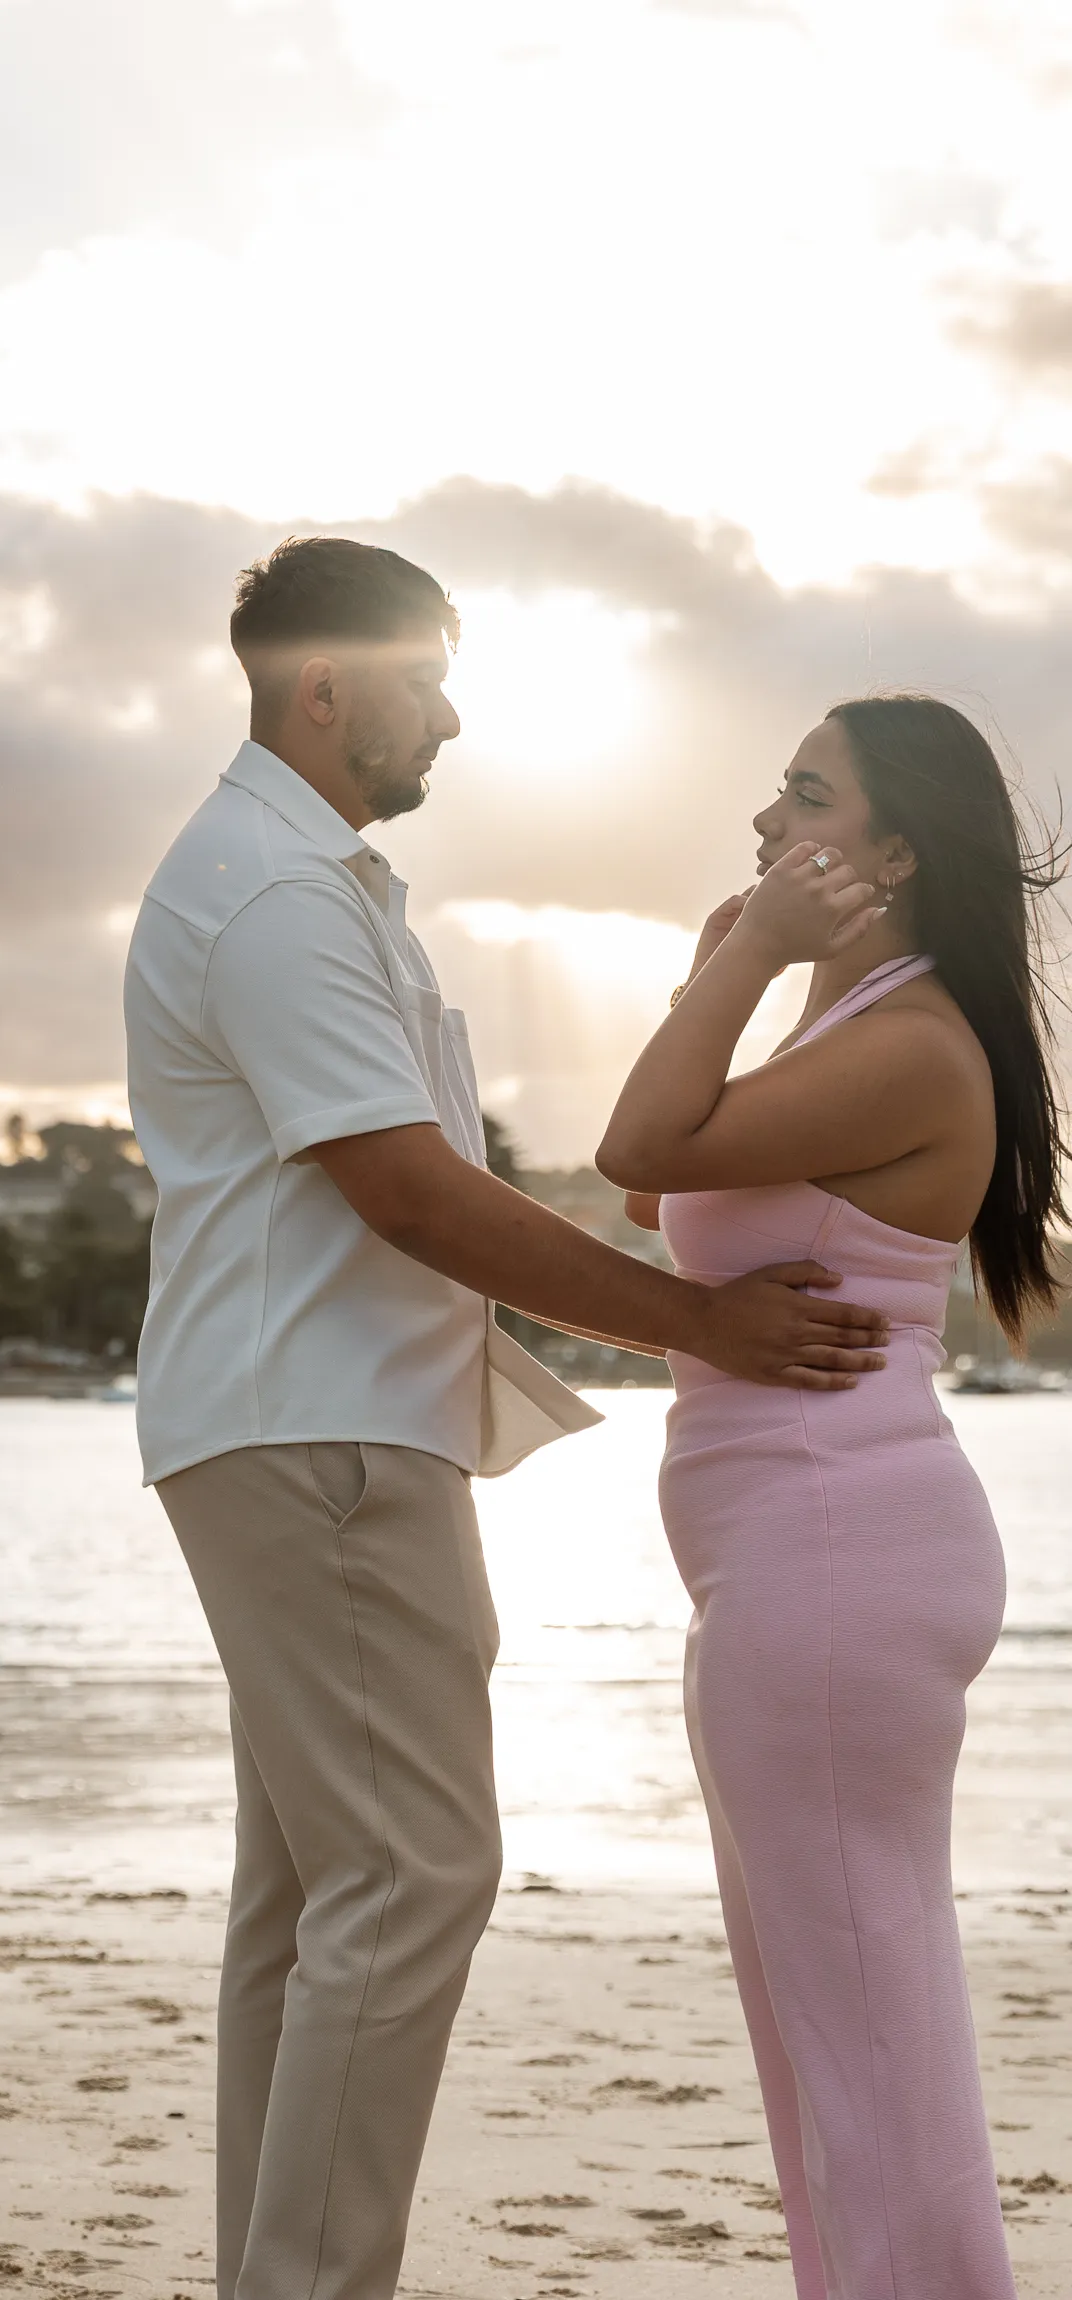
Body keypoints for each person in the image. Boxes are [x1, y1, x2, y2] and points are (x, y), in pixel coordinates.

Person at [122, 534, 891, 2300]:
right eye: (430, 679)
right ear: (326, 686)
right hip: (314, 1438)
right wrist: (701, 1324)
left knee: (315, 1903)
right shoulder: (279, 895)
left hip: (298, 1421)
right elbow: (411, 1195)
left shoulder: (302, 879)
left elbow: (424, 1184)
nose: (454, 720)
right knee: (411, 1876)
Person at [597, 696, 1063, 2300]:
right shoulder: (848, 1029)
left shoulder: (914, 1046)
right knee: (831, 2029)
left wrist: (736, 960)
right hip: (800, 1555)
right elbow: (670, 1188)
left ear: (895, 848)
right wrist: (752, 958)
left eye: (806, 792)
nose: (764, 816)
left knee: (862, 2030)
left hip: (835, 1553)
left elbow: (628, 1143)